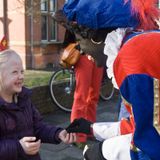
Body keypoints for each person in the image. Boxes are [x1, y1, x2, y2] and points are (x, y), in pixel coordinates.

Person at [63, 0, 160, 160]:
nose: (81, 50)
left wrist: (104, 151)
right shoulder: (134, 45)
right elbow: (140, 124)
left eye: (80, 42)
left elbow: (150, 144)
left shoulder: (131, 56)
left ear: (95, 38)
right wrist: (93, 129)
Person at [0, 49, 76, 160]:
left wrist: (58, 134)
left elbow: (38, 127)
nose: (21, 76)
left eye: (22, 71)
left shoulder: (24, 100)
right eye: (15, 72)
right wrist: (19, 147)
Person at [53, 10, 105, 148]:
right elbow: (59, 15)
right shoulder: (78, 8)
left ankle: (89, 129)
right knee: (81, 96)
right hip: (82, 57)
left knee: (93, 96)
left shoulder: (101, 9)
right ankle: (77, 134)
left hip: (98, 56)